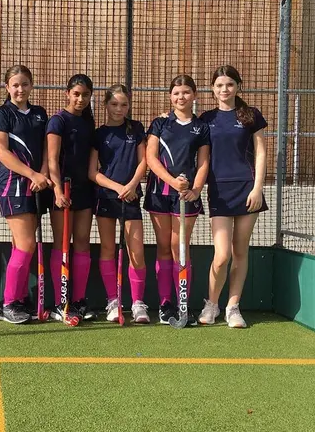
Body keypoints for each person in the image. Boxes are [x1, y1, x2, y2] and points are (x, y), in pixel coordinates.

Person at [197, 65, 268, 328]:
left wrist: (257, 188)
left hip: (247, 190)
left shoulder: (251, 115)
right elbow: (185, 132)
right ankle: (211, 305)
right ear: (212, 89)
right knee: (222, 255)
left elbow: (261, 152)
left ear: (238, 86)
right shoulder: (206, 118)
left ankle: (233, 307)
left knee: (240, 252)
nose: (224, 89)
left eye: (229, 84)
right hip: (219, 192)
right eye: (219, 85)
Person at [144, 74, 210, 326]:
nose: (181, 97)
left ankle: (183, 303)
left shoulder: (201, 127)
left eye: (186, 92)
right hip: (160, 192)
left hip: (186, 195)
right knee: (163, 247)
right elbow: (151, 158)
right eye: (176, 93)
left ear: (194, 95)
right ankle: (165, 304)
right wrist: (172, 182)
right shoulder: (160, 123)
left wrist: (196, 189)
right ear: (170, 96)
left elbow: (203, 162)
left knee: (180, 247)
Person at [0, 64, 51, 324]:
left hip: (37, 184)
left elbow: (47, 147)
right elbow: (1, 152)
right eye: (15, 85)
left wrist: (43, 174)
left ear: (31, 85)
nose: (20, 89)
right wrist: (32, 174)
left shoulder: (39, 113)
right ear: (7, 87)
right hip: (13, 185)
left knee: (21, 245)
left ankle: (20, 299)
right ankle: (8, 304)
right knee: (26, 244)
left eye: (25, 84)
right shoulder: (2, 114)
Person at [88, 84, 148, 323]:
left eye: (124, 105)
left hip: (131, 197)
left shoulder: (136, 128)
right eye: (114, 104)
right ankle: (113, 301)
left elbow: (143, 162)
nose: (119, 109)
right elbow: (92, 172)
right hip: (107, 197)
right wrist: (117, 188)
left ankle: (138, 303)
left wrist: (131, 186)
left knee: (136, 251)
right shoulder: (99, 134)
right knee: (107, 249)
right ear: (105, 105)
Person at [47, 74, 96, 322]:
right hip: (63, 191)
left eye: (85, 95)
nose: (80, 99)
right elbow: (52, 160)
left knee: (83, 242)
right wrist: (57, 190)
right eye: (76, 94)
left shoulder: (88, 122)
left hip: (85, 189)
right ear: (67, 93)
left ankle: (78, 300)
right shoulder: (58, 121)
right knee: (62, 243)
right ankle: (61, 302)